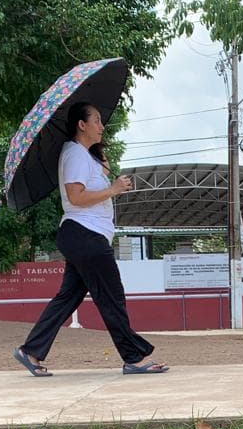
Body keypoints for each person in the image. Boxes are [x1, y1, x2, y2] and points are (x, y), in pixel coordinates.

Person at [13, 101, 168, 376]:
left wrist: (101, 154)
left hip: (82, 236)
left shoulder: (85, 155)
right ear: (81, 125)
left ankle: (31, 351)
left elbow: (100, 178)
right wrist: (113, 189)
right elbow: (76, 197)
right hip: (85, 235)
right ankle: (133, 357)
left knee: (68, 297)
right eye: (95, 120)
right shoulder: (74, 154)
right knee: (111, 297)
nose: (101, 125)